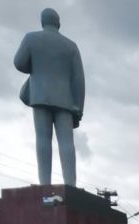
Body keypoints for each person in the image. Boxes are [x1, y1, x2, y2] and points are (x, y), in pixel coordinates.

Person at [14, 8, 85, 186]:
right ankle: (70, 184)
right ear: (58, 24)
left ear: (42, 22)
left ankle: (44, 183)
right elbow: (79, 79)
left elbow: (19, 63)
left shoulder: (31, 38)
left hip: (40, 96)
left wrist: (37, 64)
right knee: (67, 143)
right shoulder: (71, 46)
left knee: (43, 139)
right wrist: (78, 107)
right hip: (65, 100)